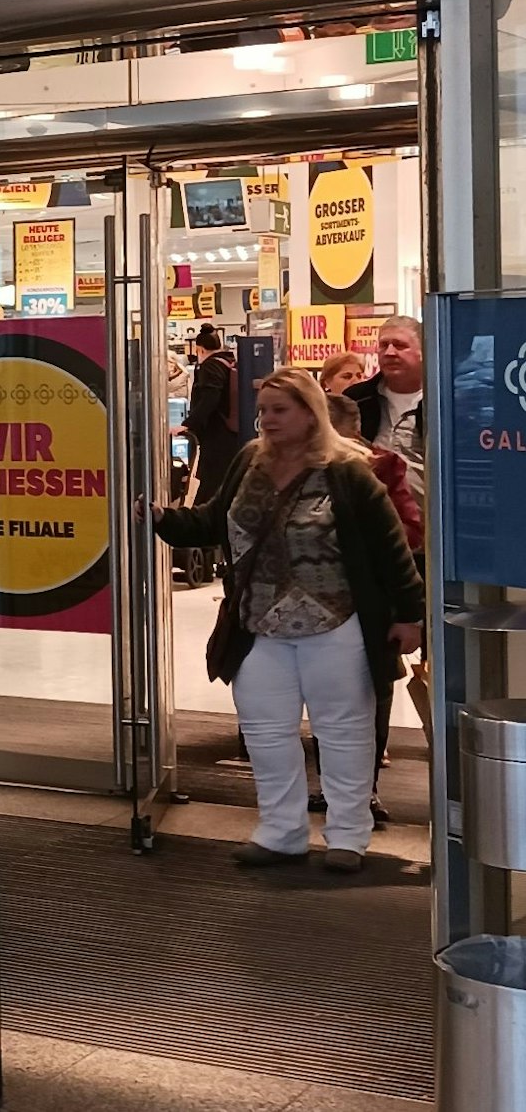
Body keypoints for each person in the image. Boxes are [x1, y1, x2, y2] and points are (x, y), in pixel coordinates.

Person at [152, 369, 423, 874]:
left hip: (337, 623)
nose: (268, 420)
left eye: (281, 410)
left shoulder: (350, 471)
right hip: (258, 624)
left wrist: (409, 615)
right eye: (264, 411)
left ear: (310, 411)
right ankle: (281, 832)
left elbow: (391, 551)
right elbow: (214, 521)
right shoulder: (249, 461)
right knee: (265, 732)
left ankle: (348, 836)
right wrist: (159, 518)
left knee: (343, 731)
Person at [341, 315, 431, 741]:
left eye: (399, 345)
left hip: (434, 544)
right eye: (383, 345)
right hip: (374, 547)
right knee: (376, 654)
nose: (389, 352)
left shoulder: (447, 397)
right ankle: (370, 757)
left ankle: (447, 757)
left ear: (422, 349)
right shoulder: (357, 400)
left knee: (440, 651)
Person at [181, 325, 241, 504]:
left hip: (217, 433)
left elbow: (210, 398)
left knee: (211, 480)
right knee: (217, 479)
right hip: (229, 433)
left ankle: (200, 519)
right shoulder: (228, 361)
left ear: (199, 349)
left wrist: (188, 424)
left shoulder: (210, 366)